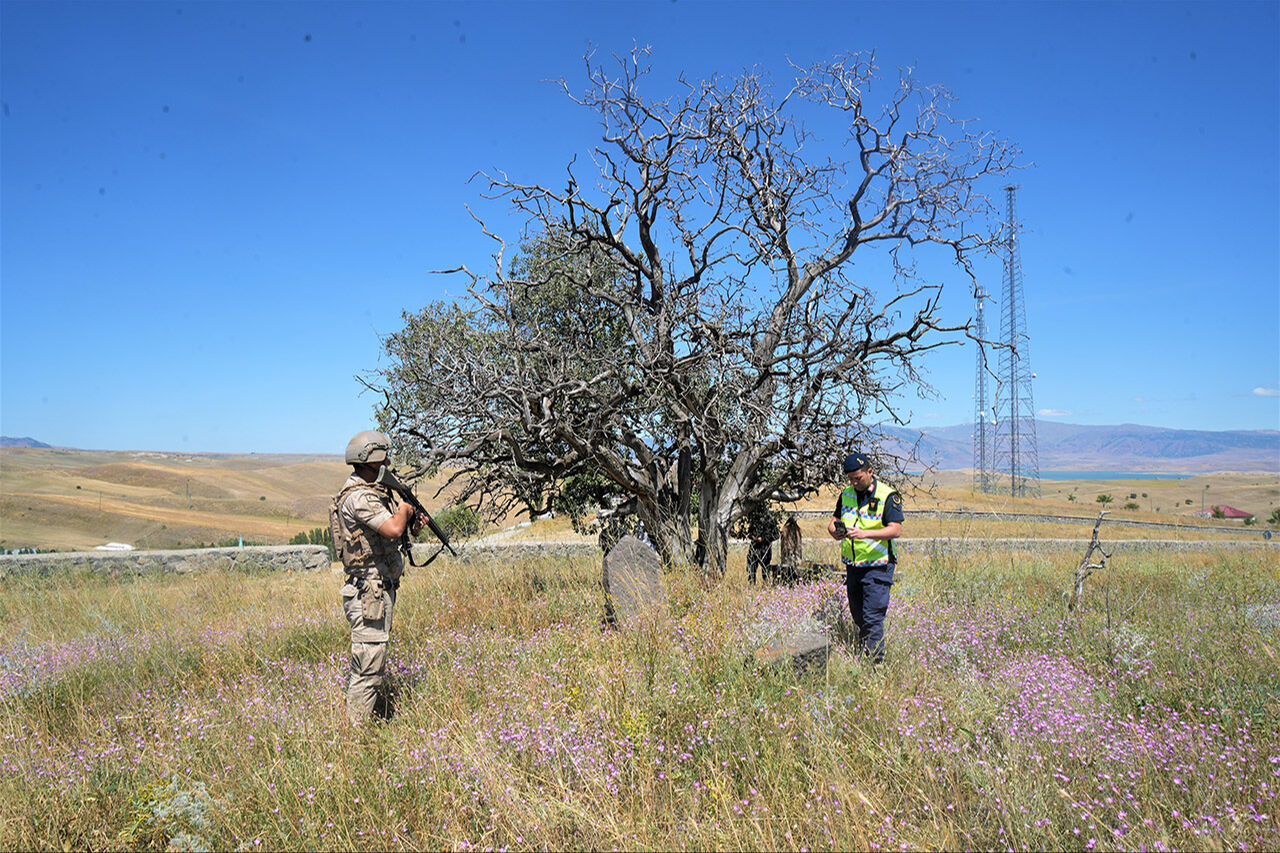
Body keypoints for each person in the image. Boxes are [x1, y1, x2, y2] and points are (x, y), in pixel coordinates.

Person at [331, 430, 424, 724]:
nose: (388, 463)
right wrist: (405, 509)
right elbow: (393, 529)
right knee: (368, 667)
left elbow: (391, 536)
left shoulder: (374, 492)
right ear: (371, 461)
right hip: (368, 594)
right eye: (384, 458)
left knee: (374, 660)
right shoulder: (359, 496)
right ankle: (355, 732)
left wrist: (413, 524)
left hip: (379, 592)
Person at [828, 451, 903, 664]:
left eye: (858, 478)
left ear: (870, 471)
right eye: (850, 478)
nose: (854, 482)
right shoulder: (846, 494)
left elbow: (895, 530)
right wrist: (834, 531)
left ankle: (875, 664)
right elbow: (834, 521)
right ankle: (865, 654)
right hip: (853, 565)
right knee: (858, 614)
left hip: (878, 565)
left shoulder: (888, 495)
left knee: (873, 616)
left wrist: (864, 534)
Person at [744, 504, 779, 585]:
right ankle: (752, 587)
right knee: (751, 570)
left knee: (765, 571)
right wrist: (753, 537)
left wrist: (763, 539)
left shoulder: (770, 520)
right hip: (754, 548)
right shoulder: (754, 520)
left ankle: (766, 587)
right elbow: (749, 533)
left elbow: (776, 535)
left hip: (765, 549)